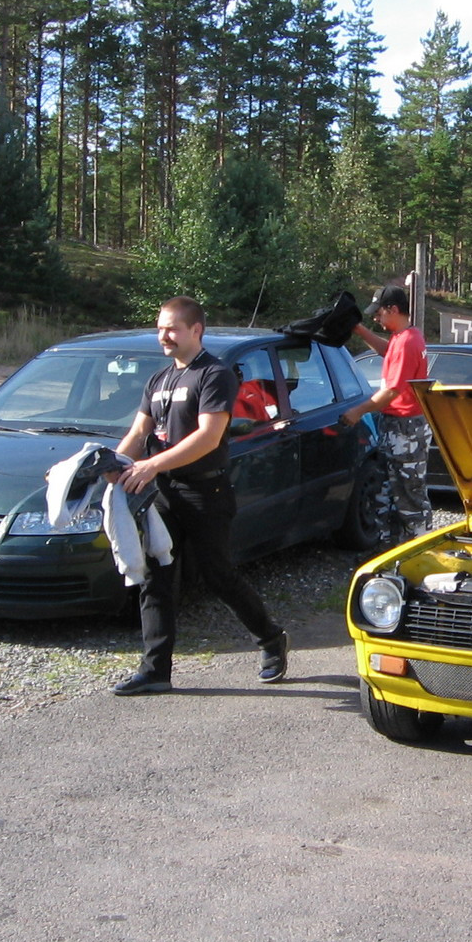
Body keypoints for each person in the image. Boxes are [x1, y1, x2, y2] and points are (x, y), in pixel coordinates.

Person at [107, 297, 288, 696]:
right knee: (157, 576)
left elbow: (208, 437)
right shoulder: (157, 381)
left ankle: (271, 638)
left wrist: (153, 465)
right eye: (160, 328)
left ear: (195, 330)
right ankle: (155, 671)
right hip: (163, 494)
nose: (164, 336)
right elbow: (138, 436)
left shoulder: (215, 376)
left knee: (218, 576)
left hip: (207, 491)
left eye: (171, 328)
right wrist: (108, 467)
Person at [340, 284, 431, 543]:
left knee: (409, 495)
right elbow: (387, 351)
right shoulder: (405, 336)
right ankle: (391, 552)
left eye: (378, 313)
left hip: (406, 428)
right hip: (400, 426)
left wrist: (357, 411)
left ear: (393, 309)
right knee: (390, 490)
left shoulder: (407, 342)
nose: (375, 318)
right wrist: (358, 329)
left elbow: (391, 390)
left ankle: (419, 550)